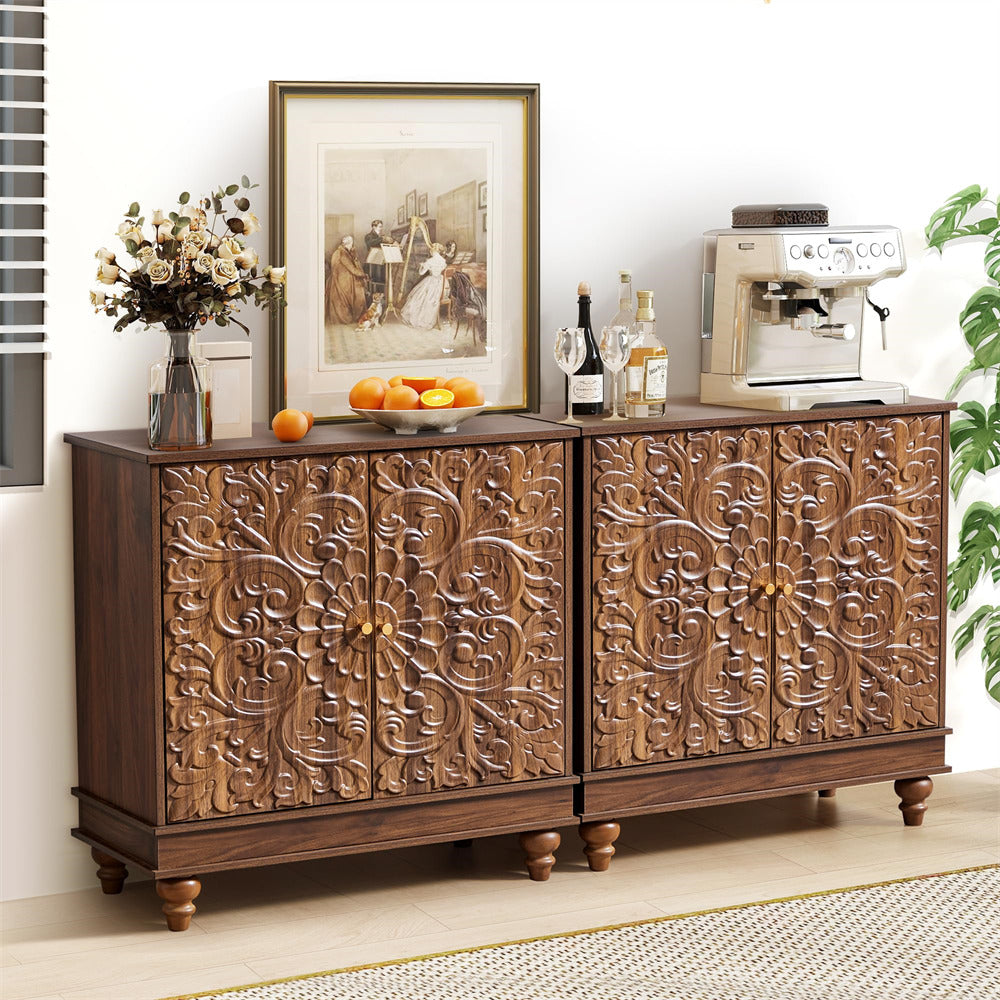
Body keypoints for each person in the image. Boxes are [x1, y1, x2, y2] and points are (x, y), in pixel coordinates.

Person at [400, 243, 447, 330]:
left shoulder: (430, 261)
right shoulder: (443, 260)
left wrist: (422, 266)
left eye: (431, 250)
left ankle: (422, 319)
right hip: (441, 284)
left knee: (418, 297)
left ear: (432, 250)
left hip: (432, 281)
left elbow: (421, 273)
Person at [326, 235, 368, 326]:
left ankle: (357, 315)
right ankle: (355, 316)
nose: (352, 246)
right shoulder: (342, 253)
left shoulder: (342, 251)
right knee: (359, 291)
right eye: (351, 244)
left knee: (358, 287)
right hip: (341, 281)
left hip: (341, 279)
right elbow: (352, 269)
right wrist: (363, 275)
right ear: (347, 244)